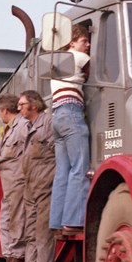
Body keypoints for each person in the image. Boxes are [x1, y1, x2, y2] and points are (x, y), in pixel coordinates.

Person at [8, 90, 56, 262]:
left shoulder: (49, 123)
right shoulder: (26, 127)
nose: (18, 108)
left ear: (34, 106)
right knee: (30, 231)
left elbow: (60, 152)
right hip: (30, 184)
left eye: (21, 104)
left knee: (43, 231)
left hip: (45, 183)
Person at [49, 23, 91, 234]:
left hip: (56, 116)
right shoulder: (78, 56)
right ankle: (73, 221)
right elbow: (101, 68)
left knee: (62, 172)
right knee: (80, 168)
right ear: (72, 42)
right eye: (84, 41)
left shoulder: (59, 62)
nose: (88, 44)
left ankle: (57, 222)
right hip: (72, 113)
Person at [0, 94, 28, 262]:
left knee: (14, 224)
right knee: (6, 223)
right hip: (11, 186)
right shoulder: (12, 129)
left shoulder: (21, 127)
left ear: (4, 111)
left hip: (18, 184)